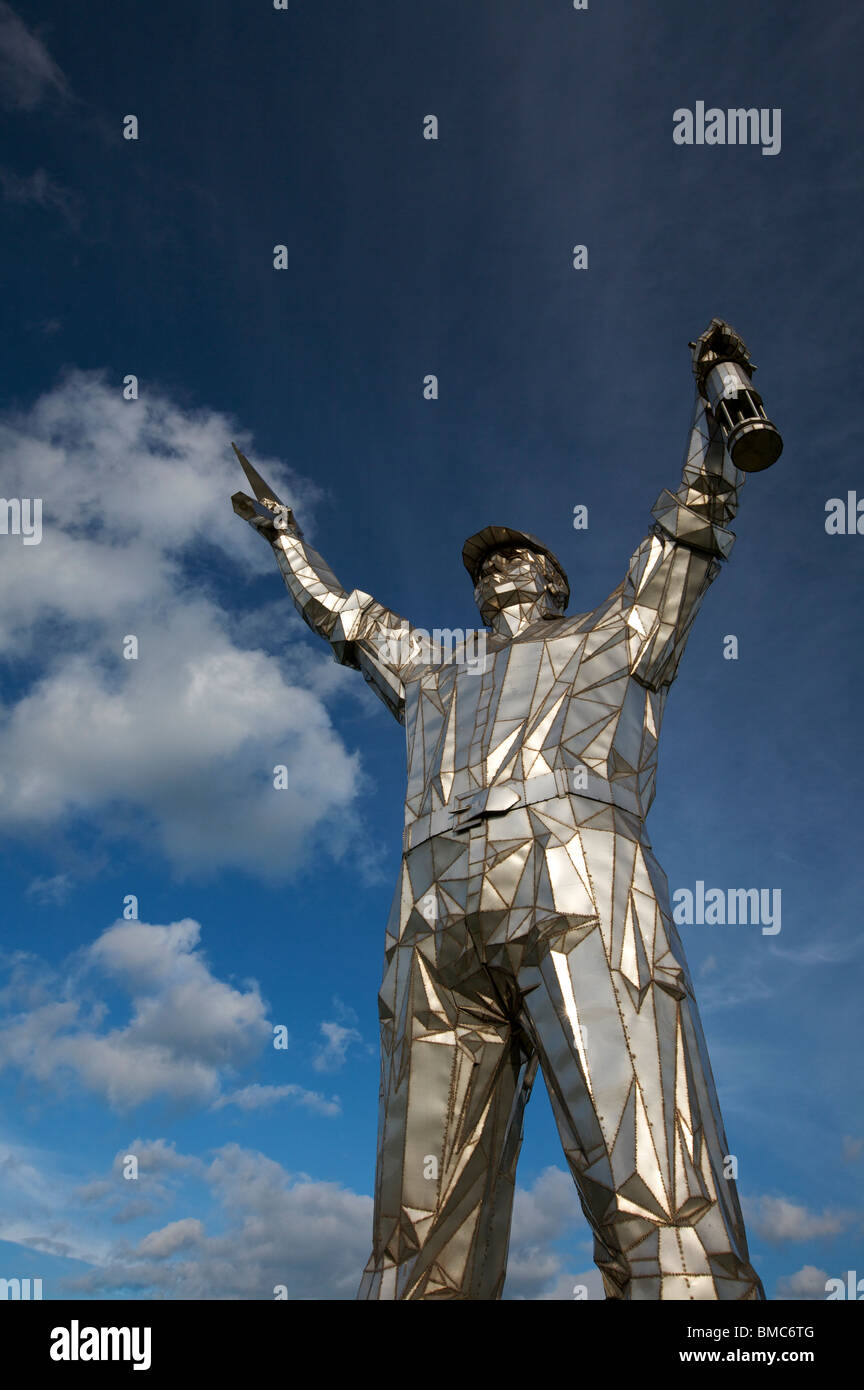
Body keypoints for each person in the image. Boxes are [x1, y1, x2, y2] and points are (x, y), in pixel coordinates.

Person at [232, 320, 767, 1301]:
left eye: (521, 557)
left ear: (554, 581)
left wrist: (715, 414)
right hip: (433, 909)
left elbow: (686, 530)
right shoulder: (435, 670)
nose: (501, 567)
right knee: (416, 1225)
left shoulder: (614, 637)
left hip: (575, 875)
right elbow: (346, 619)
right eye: (487, 562)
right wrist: (288, 541)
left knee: (652, 1180)